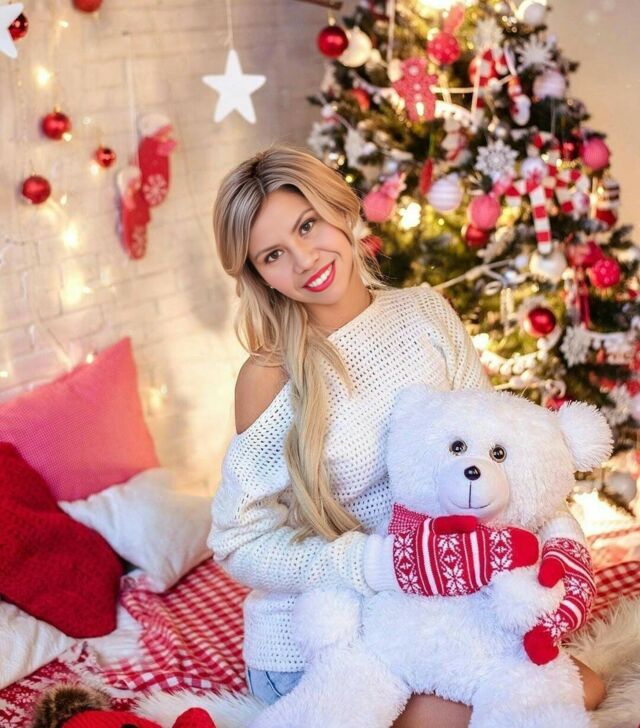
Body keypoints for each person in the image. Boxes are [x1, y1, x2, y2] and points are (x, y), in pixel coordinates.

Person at [208, 145, 606, 727]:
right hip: (327, 640)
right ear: (257, 274)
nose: (304, 259)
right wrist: (374, 564)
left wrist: (558, 536)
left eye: (307, 225)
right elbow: (238, 542)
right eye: (273, 254)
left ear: (339, 208)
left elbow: (498, 449)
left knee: (583, 689)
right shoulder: (270, 376)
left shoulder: (425, 313)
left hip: (437, 616)